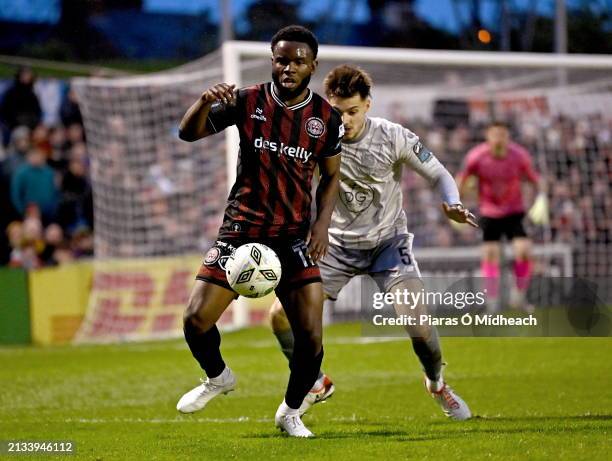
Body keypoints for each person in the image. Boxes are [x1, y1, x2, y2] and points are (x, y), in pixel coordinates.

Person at [269, 65, 477, 420]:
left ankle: (437, 382)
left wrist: (452, 202)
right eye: (337, 112)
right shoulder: (314, 139)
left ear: (367, 104)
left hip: (387, 244)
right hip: (334, 246)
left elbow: (439, 173)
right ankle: (314, 382)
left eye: (352, 111)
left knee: (418, 324)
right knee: (280, 318)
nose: (345, 120)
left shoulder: (393, 136)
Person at [175, 25, 343, 438]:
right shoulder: (246, 100)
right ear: (272, 61)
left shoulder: (326, 118)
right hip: (240, 231)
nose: (288, 67)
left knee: (311, 338)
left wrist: (322, 225)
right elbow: (187, 132)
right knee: (196, 320)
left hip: (292, 238)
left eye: (298, 61)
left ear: (312, 66)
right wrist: (202, 102)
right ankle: (218, 377)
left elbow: (332, 177)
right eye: (281, 60)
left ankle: (290, 411)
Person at [457, 121, 541, 312]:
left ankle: (518, 297)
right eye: (495, 135)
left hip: (514, 211)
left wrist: (541, 198)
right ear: (487, 136)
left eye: (502, 135)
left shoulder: (519, 156)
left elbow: (535, 180)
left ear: (508, 137)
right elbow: (462, 179)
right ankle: (492, 301)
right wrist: (455, 203)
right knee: (490, 254)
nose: (498, 139)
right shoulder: (476, 156)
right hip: (489, 211)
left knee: (524, 251)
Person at [0, 67, 42, 145]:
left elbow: (37, 112)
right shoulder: (12, 92)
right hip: (15, 128)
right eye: (24, 75)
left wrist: (34, 126)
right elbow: (8, 112)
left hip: (31, 127)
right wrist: (22, 124)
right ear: (19, 76)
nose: (26, 77)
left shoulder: (33, 94)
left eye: (28, 75)